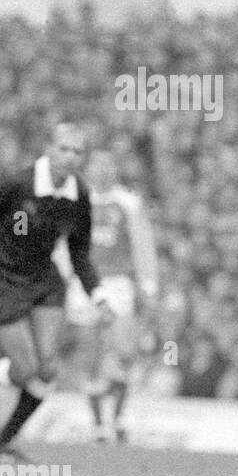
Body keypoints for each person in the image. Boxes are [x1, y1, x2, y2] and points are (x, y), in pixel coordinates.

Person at [0, 122, 110, 462]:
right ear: (48, 149)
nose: (70, 156)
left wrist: (99, 296)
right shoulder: (16, 184)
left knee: (48, 369)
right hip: (2, 278)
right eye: (64, 148)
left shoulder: (78, 194)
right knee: (25, 371)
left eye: (77, 151)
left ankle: (3, 442)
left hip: (44, 279)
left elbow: (79, 253)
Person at [70, 150, 158, 442]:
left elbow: (143, 244)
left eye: (109, 164)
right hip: (84, 283)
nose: (104, 170)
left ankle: (118, 417)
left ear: (115, 169)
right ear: (89, 169)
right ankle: (99, 425)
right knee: (90, 354)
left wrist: (148, 286)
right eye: (98, 165)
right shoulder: (75, 200)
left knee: (125, 351)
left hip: (118, 284)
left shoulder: (128, 202)